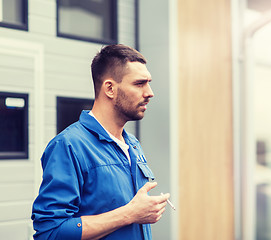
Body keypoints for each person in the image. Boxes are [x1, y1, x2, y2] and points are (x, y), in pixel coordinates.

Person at [31, 44, 170, 240]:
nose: (150, 92)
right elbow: (50, 232)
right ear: (110, 88)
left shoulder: (132, 144)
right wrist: (129, 214)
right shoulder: (69, 146)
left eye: (149, 83)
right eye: (140, 83)